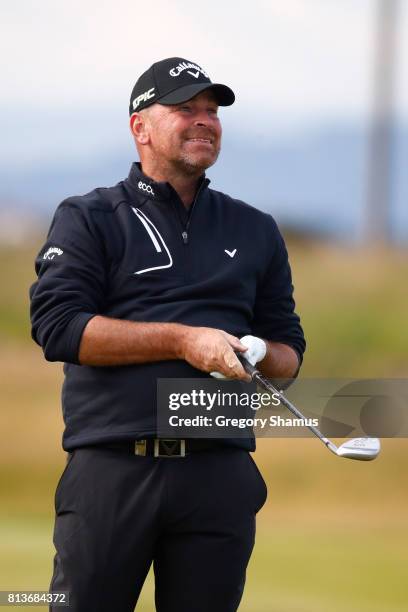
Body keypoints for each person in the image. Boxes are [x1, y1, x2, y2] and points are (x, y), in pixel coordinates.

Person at [30, 56, 306, 612]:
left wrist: (259, 353)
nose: (205, 120)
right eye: (185, 109)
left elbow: (289, 354)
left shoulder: (254, 228)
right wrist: (183, 340)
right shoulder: (90, 217)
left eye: (212, 111)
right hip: (114, 468)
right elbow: (59, 327)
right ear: (140, 127)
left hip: (219, 472)